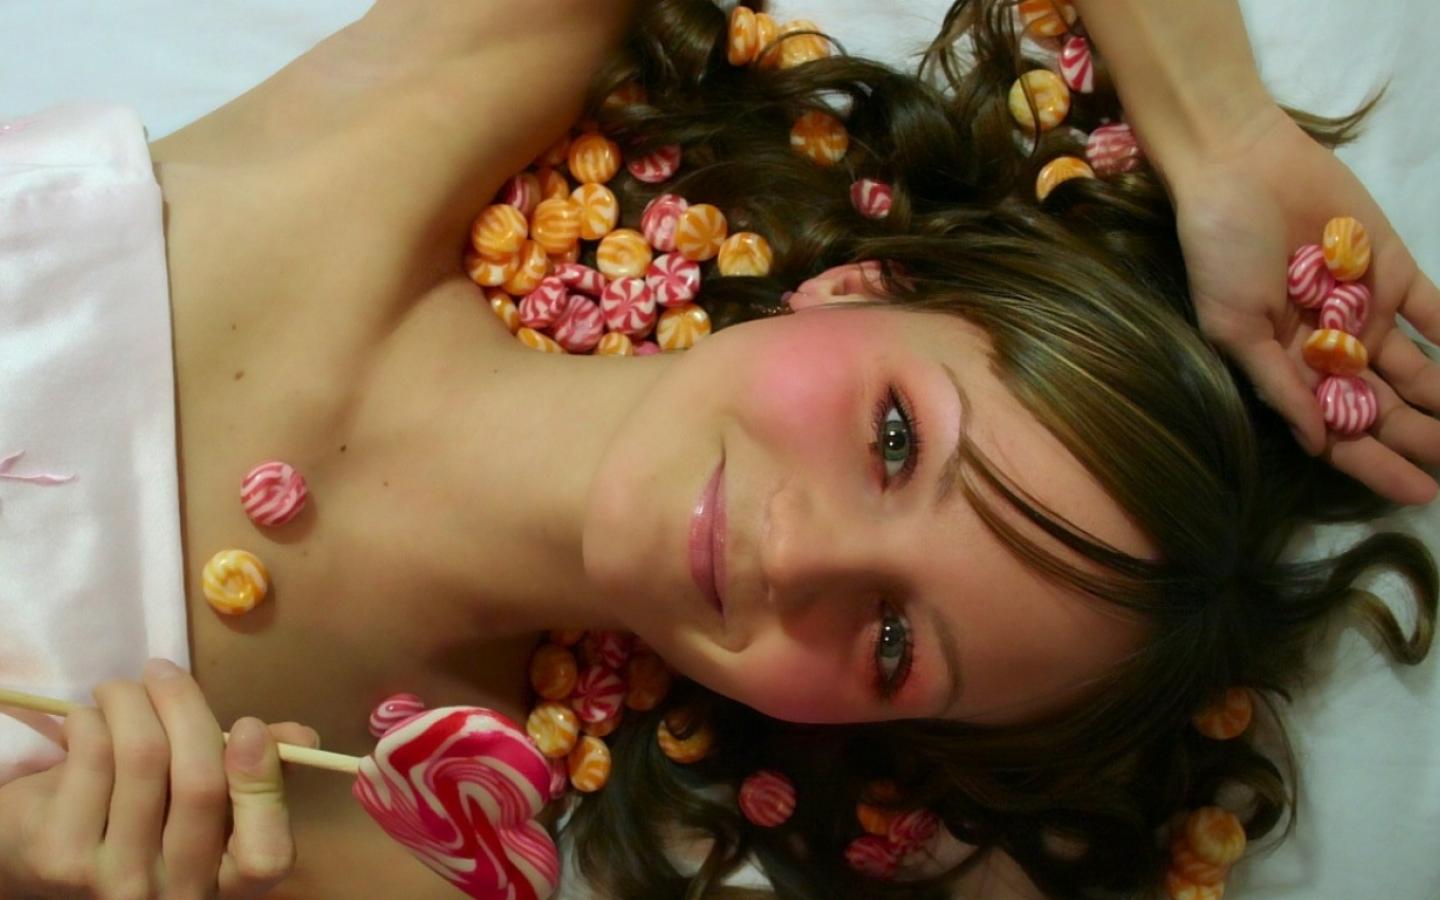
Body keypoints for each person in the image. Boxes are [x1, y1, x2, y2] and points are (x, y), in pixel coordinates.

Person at [0, 0, 1434, 897]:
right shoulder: (448, 92)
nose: (800, 554)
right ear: (863, 285)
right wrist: (1220, 132)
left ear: (869, 733)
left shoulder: (392, 840)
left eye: (892, 642)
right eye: (895, 438)